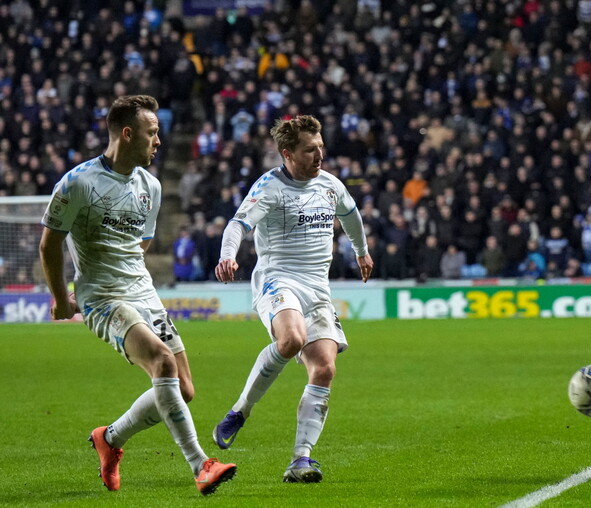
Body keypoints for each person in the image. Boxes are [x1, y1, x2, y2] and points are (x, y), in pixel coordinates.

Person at [38, 95, 236, 495]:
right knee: (162, 364)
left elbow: (139, 245)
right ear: (127, 134)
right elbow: (49, 245)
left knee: (183, 390)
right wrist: (62, 297)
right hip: (104, 299)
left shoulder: (151, 186)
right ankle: (202, 465)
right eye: (152, 132)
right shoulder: (78, 183)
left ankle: (109, 439)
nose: (158, 141)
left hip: (144, 294)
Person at [212, 115, 373, 483]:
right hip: (278, 278)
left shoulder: (330, 184)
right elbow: (239, 224)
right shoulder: (269, 187)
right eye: (309, 149)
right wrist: (228, 254)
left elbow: (351, 215)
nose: (319, 155)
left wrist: (361, 251)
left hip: (318, 287)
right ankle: (241, 410)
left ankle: (301, 459)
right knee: (291, 340)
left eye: (321, 147)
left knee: (325, 368)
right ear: (287, 153)